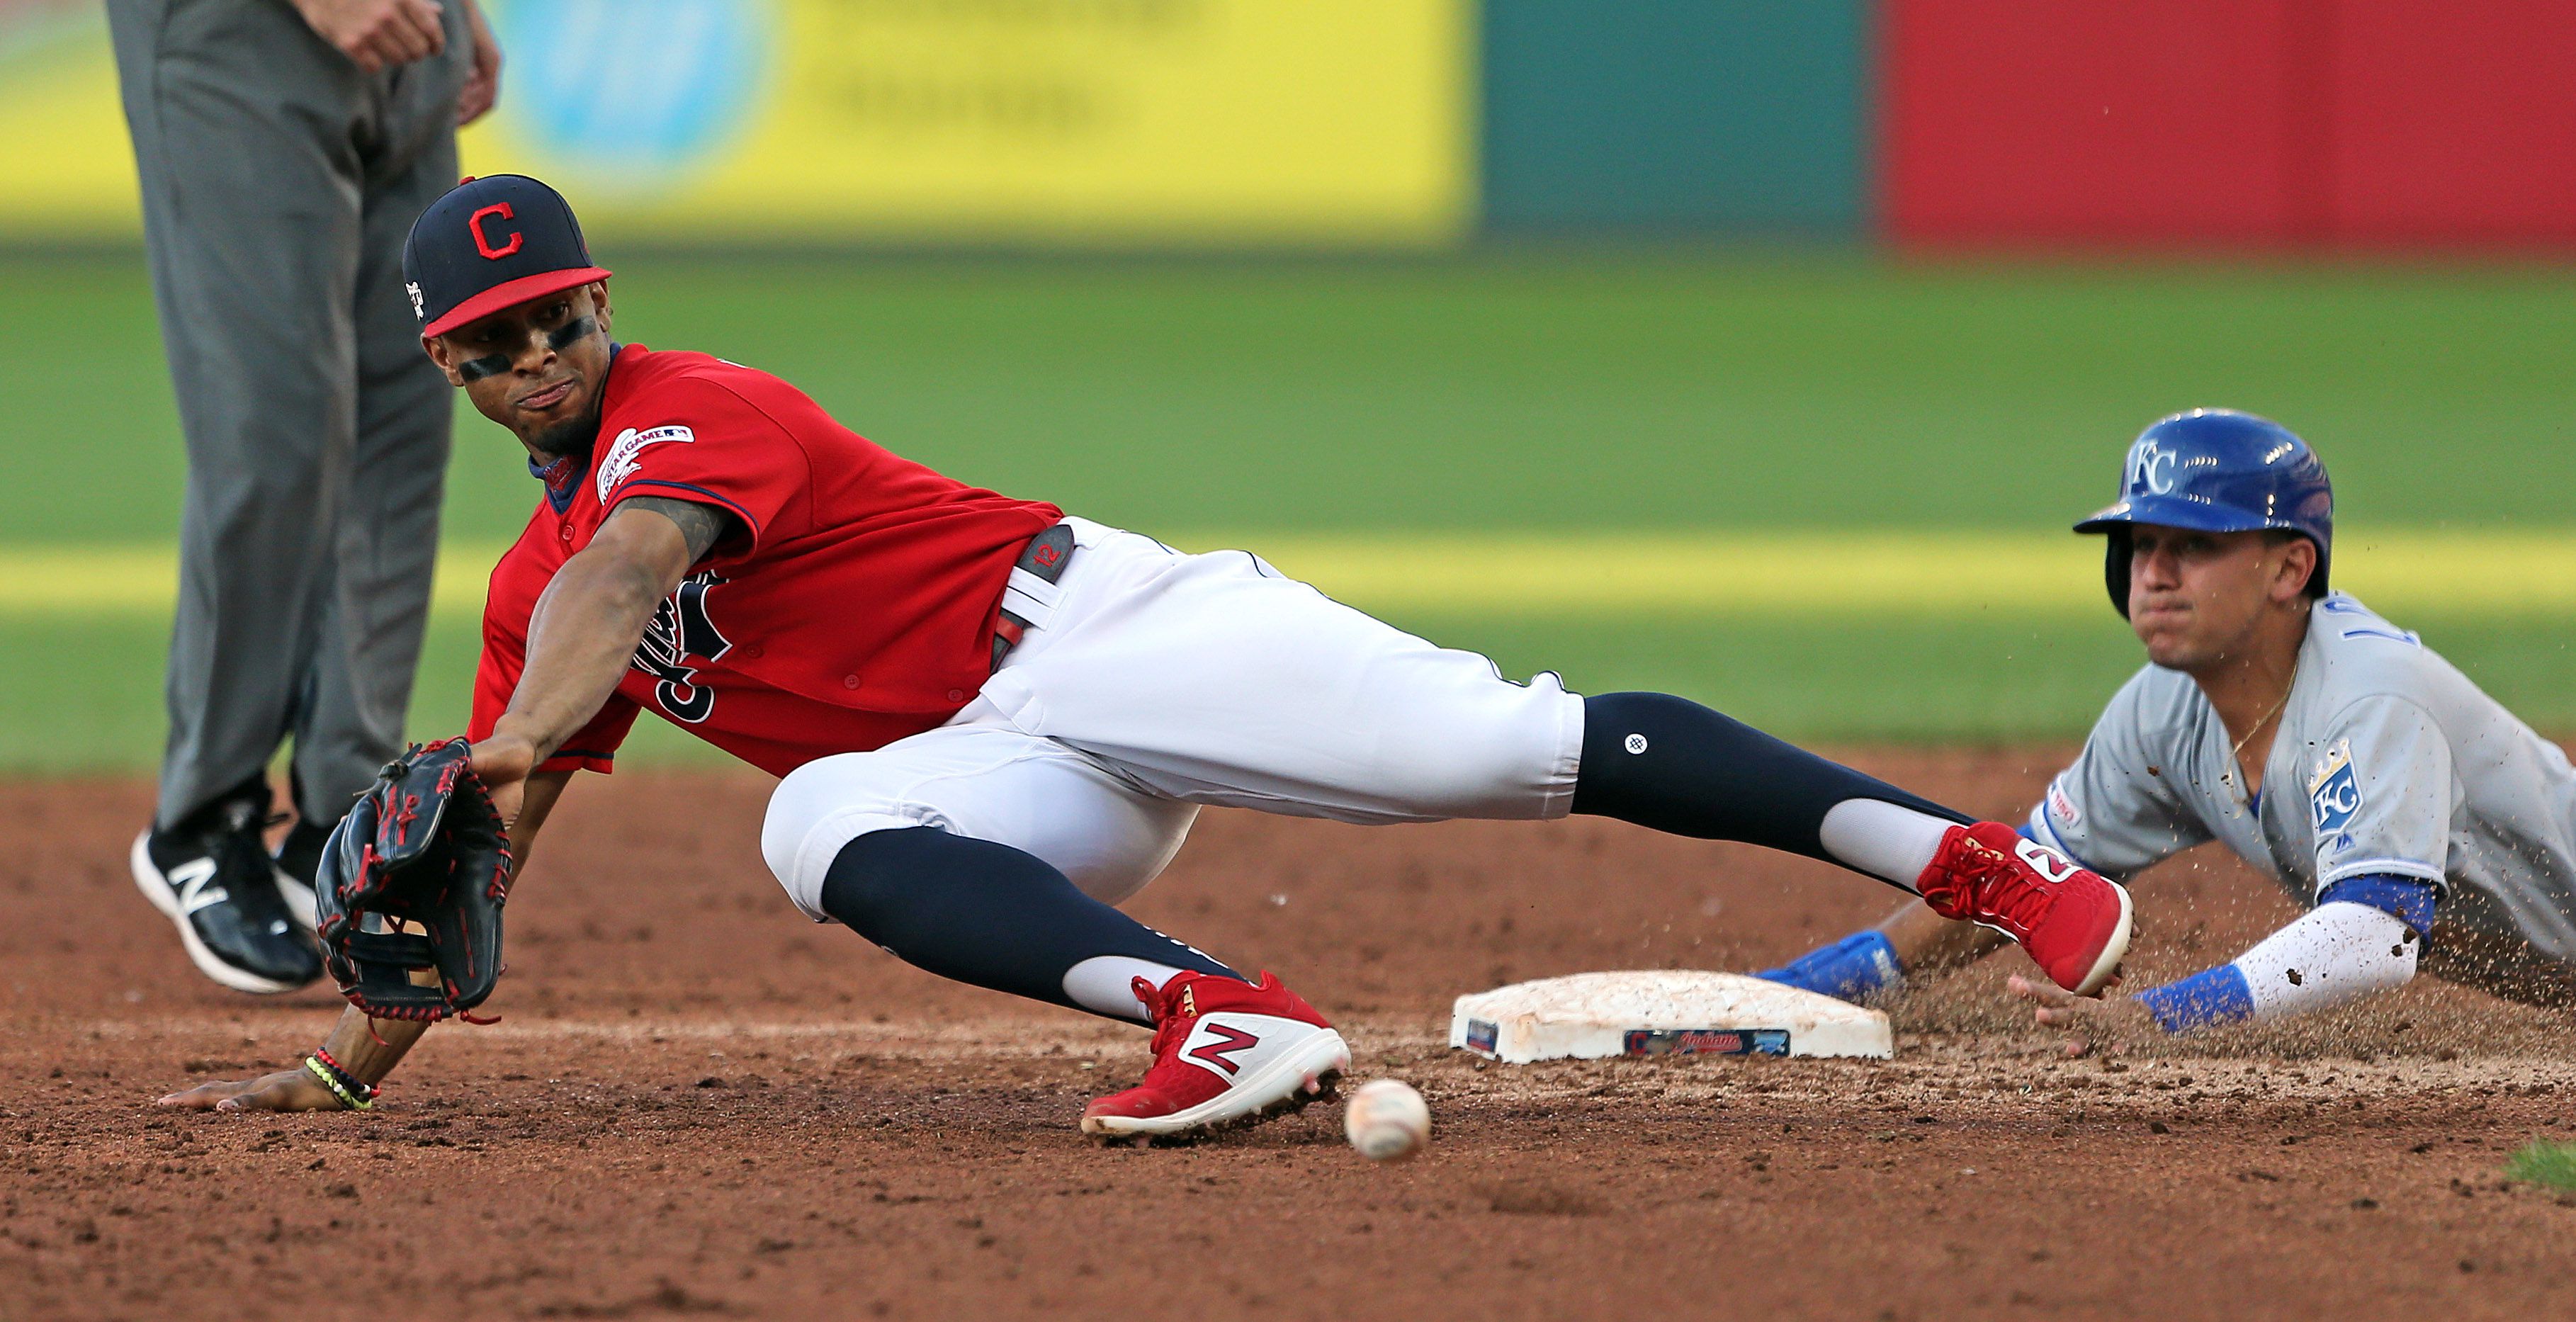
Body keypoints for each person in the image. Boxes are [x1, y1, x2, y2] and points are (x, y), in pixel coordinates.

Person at [160, 175, 2132, 1136]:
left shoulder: (691, 410)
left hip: (1112, 631)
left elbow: (634, 574)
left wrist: (504, 740)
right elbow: (494, 854)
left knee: (1494, 750)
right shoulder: (526, 594)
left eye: (554, 317)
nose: (536, 358)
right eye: (491, 343)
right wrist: (348, 1065)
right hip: (1009, 777)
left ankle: (1976, 860)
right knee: (817, 826)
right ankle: (1225, 1015)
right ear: (445, 367)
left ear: (605, 305)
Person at [1759, 411, 2576, 1046]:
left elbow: (2375, 935)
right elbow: (2012, 886)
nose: (2154, 571)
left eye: (2194, 543)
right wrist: (1798, 997)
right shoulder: (2162, 713)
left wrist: (2161, 1020)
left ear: (2291, 568)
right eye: (2141, 544)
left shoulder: (2370, 694)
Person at [108, 0, 502, 993]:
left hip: (411, 34)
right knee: (275, 429)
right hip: (241, 30)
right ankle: (204, 816)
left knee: (405, 425)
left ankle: (341, 814)